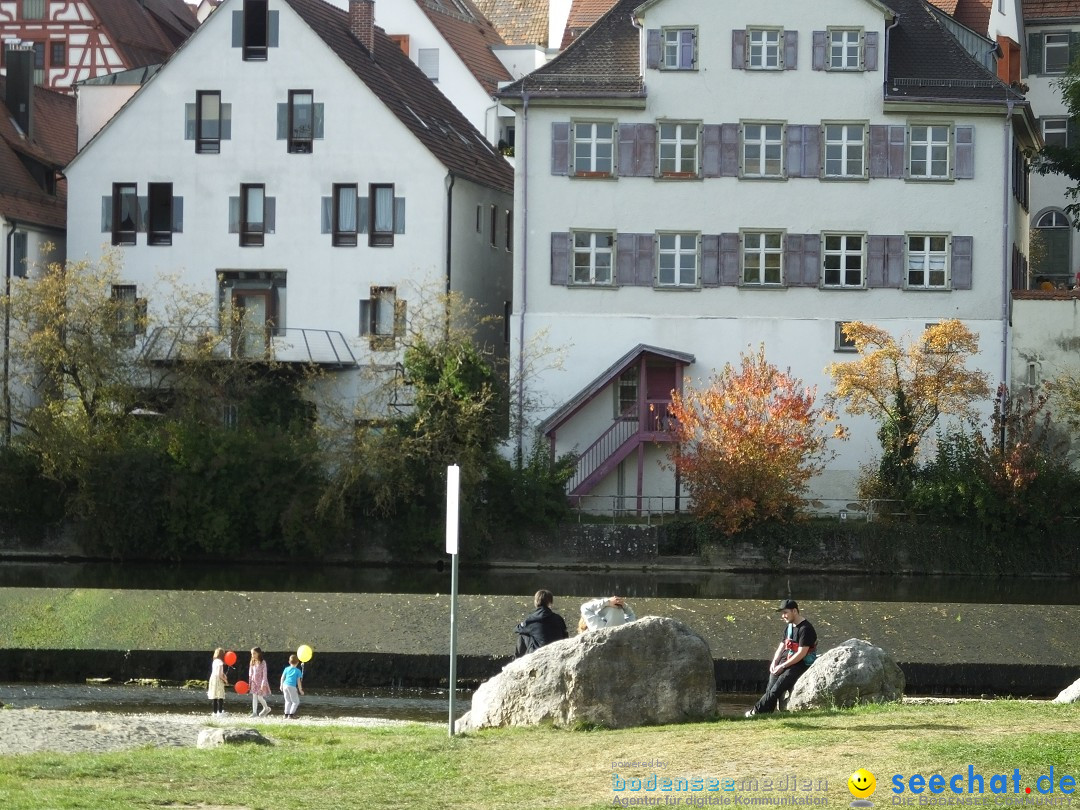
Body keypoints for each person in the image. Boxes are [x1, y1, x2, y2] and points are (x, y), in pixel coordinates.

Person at [746, 599, 817, 717]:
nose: (783, 616)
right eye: (782, 613)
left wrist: (783, 666)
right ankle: (766, 714)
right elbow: (782, 645)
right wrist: (775, 662)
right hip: (786, 660)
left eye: (785, 612)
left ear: (794, 611)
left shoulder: (806, 629)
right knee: (770, 689)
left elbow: (802, 653)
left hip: (800, 663)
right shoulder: (789, 627)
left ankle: (755, 712)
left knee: (777, 689)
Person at [514, 589, 569, 657]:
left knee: (523, 634)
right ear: (550, 602)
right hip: (556, 652)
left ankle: (518, 661)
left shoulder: (532, 619)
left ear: (536, 602)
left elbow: (517, 629)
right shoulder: (558, 618)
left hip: (539, 653)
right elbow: (565, 635)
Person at [248, 647, 271, 717]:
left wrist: (263, 684)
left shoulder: (263, 662)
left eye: (254, 653)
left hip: (261, 683)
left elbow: (264, 674)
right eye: (252, 654)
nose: (253, 655)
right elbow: (250, 673)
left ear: (259, 653)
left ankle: (266, 708)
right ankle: (254, 712)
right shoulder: (252, 662)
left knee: (260, 697)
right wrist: (250, 682)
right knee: (254, 697)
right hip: (254, 682)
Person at [280, 654, 305, 719]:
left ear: (289, 662)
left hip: (285, 685)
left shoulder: (286, 669)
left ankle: (286, 714)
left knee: (287, 701)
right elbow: (298, 682)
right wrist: (300, 690)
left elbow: (282, 677)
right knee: (296, 701)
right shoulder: (298, 671)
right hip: (292, 686)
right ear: (297, 662)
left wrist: (281, 685)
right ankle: (291, 715)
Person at [207, 647, 228, 716]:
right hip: (218, 680)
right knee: (220, 696)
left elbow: (217, 671)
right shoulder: (220, 662)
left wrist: (224, 674)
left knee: (215, 696)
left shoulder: (215, 661)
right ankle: (220, 712)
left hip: (212, 678)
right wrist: (225, 680)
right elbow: (219, 674)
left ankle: (214, 712)